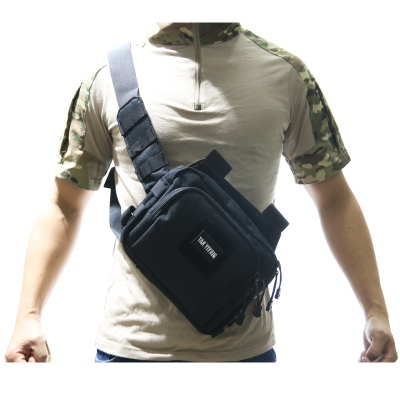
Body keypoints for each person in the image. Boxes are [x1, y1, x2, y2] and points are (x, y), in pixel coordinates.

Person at [5, 22, 397, 363]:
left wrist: (375, 311)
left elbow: (335, 200)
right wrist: (28, 315)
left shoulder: (287, 75)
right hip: (128, 351)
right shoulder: (109, 77)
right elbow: (64, 204)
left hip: (246, 354)